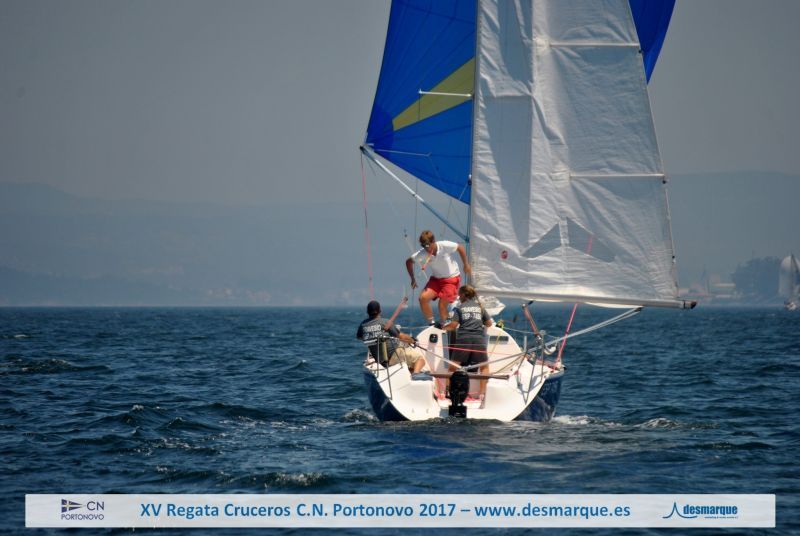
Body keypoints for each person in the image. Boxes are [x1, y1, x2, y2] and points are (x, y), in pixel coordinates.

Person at [406, 230, 471, 326]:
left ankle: (446, 324)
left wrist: (466, 264)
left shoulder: (444, 245)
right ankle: (432, 323)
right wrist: (412, 278)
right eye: (423, 246)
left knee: (441, 305)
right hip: (436, 280)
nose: (426, 248)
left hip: (451, 279)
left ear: (433, 241)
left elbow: (460, 247)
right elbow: (408, 262)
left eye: (427, 245)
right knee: (423, 298)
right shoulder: (423, 253)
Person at [443, 285, 493, 404]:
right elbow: (489, 324)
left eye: (459, 294)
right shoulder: (480, 308)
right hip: (478, 340)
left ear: (464, 295)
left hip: (464, 340)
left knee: (452, 367)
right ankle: (482, 394)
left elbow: (453, 326)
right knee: (484, 367)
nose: (458, 297)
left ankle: (447, 391)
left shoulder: (459, 308)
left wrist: (442, 327)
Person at [356, 300, 427, 373]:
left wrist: (373, 334)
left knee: (411, 366)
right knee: (420, 360)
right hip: (394, 354)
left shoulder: (363, 325)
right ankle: (415, 376)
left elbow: (359, 337)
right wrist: (413, 341)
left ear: (367, 312)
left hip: (380, 360)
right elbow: (401, 336)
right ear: (380, 311)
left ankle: (410, 375)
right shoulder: (385, 322)